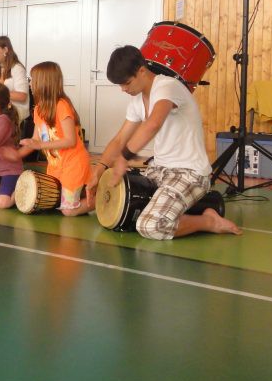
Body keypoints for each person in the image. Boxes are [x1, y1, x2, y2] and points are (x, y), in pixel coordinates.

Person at [86, 46, 241, 239]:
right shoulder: (137, 101)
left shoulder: (167, 86)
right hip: (159, 170)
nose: (123, 89)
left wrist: (124, 158)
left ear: (142, 71)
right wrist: (99, 169)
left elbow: (153, 124)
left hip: (190, 173)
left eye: (126, 83)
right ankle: (199, 208)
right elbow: (119, 139)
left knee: (150, 226)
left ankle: (209, 222)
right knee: (125, 214)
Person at [13, 62, 94, 217]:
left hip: (73, 164)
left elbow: (70, 140)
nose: (30, 84)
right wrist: (16, 154)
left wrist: (40, 145)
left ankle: (98, 200)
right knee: (50, 201)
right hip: (55, 167)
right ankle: (82, 192)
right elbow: (35, 140)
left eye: (32, 80)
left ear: (43, 83)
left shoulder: (62, 106)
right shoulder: (38, 109)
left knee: (67, 211)